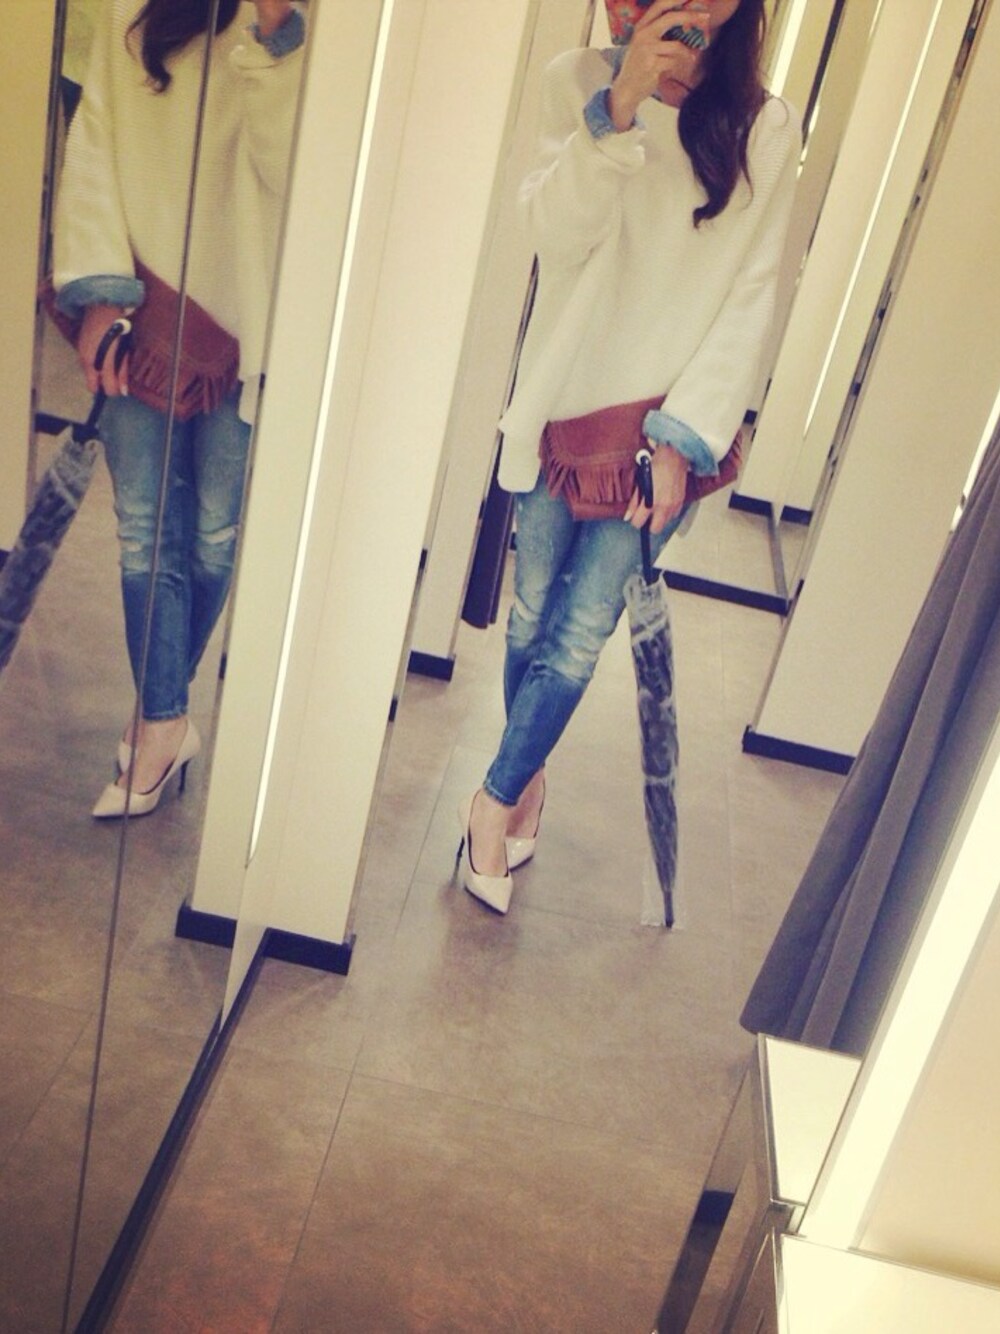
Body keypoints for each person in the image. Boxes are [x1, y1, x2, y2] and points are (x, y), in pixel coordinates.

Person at [459, 0, 801, 912]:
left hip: (659, 434)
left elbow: (752, 293)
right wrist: (616, 109)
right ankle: (525, 779)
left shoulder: (764, 127)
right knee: (530, 618)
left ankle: (490, 803)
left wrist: (684, 437)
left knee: (580, 631)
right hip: (562, 407)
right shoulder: (572, 83)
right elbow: (553, 236)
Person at [52, 0, 305, 817]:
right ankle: (164, 723)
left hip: (251, 315)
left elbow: (293, 171)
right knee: (144, 526)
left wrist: (278, 35)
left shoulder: (302, 26)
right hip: (139, 299)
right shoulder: (134, 8)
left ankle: (159, 714)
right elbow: (93, 138)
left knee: (213, 534)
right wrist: (98, 289)